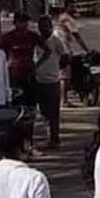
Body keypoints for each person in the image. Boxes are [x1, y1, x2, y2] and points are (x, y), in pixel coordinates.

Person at [0, 11, 47, 109]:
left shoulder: (33, 36)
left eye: (25, 22)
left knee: (31, 103)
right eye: (20, 21)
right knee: (16, 103)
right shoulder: (8, 37)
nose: (23, 24)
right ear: (15, 23)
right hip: (13, 75)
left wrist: (37, 65)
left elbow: (48, 50)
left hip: (29, 74)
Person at [35, 15, 66, 150]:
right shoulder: (36, 41)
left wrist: (59, 69)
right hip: (38, 80)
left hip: (53, 80)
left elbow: (65, 56)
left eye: (47, 26)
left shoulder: (56, 41)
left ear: (51, 27)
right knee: (43, 110)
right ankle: (48, 134)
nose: (45, 29)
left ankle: (54, 137)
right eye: (42, 26)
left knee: (54, 112)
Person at [55, 1, 88, 108]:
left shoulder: (61, 17)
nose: (74, 8)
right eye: (72, 6)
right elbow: (76, 35)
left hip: (59, 47)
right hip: (63, 47)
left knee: (61, 74)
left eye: (75, 6)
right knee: (64, 75)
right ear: (66, 8)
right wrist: (86, 49)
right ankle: (64, 100)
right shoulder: (67, 19)